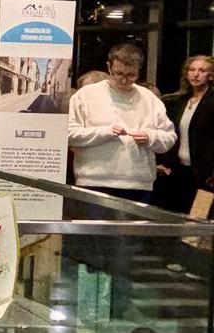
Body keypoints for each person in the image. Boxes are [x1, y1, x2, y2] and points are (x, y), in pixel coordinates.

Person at [68, 42, 177, 203]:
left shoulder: (149, 98)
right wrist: (104, 132)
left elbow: (169, 137)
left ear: (139, 71)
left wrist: (150, 137)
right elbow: (69, 134)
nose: (124, 80)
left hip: (139, 183)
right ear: (109, 67)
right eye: (118, 73)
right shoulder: (85, 95)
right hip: (93, 181)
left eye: (131, 75)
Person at [158, 55, 214, 212]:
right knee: (177, 215)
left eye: (202, 71)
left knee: (199, 216)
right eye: (192, 70)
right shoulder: (179, 101)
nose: (196, 74)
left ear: (210, 76)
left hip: (205, 174)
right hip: (179, 171)